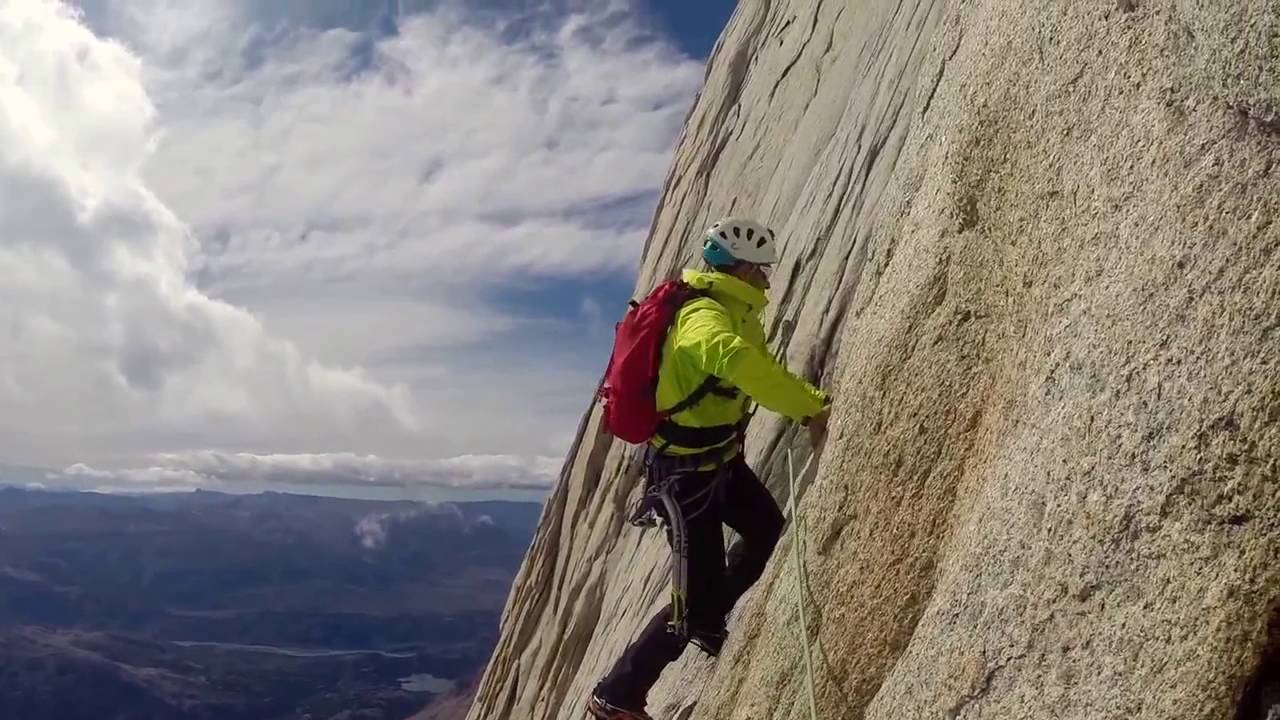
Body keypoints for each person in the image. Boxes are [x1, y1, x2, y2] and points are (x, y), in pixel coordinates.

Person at [587, 218, 832, 720]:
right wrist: (808, 406)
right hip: (683, 474)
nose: (768, 279)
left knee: (767, 533)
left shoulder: (733, 311)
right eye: (762, 270)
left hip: (720, 460)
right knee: (689, 600)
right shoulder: (704, 316)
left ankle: (708, 618)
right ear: (741, 268)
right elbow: (733, 359)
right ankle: (616, 696)